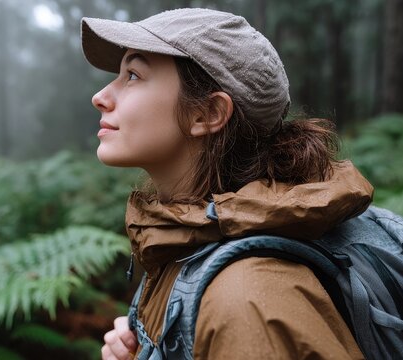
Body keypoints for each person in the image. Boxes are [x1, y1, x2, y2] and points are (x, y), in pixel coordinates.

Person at [81, 8, 374, 360]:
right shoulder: (187, 242)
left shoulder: (249, 303)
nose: (101, 96)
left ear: (207, 114)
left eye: (133, 75)